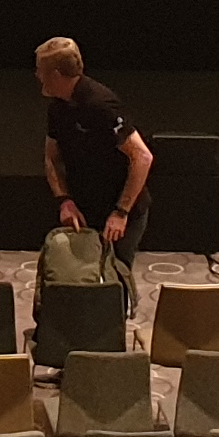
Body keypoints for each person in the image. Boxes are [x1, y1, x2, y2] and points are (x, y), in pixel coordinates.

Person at [34, 35, 154, 265]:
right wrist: (65, 200)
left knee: (116, 277)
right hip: (83, 208)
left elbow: (142, 157)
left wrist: (121, 212)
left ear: (56, 75)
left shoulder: (100, 104)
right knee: (79, 275)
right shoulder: (57, 106)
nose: (37, 75)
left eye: (40, 70)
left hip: (120, 210)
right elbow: (51, 157)